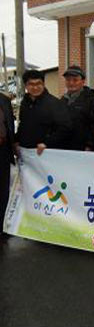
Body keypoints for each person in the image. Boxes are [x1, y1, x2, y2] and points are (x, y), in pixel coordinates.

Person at [16, 70, 72, 155]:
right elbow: (23, 124)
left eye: (38, 83)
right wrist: (16, 140)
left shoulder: (54, 103)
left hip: (46, 153)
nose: (35, 87)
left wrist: (47, 143)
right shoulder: (25, 103)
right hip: (26, 152)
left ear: (43, 84)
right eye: (31, 84)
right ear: (25, 86)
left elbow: (65, 127)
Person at [61, 65, 94, 150]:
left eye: (75, 80)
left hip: (82, 148)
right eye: (68, 80)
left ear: (83, 81)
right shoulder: (62, 100)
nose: (71, 83)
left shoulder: (91, 100)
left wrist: (90, 145)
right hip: (64, 147)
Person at [0, 91, 15, 237]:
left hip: (3, 150)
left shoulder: (4, 100)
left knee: (3, 189)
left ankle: (2, 224)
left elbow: (10, 125)